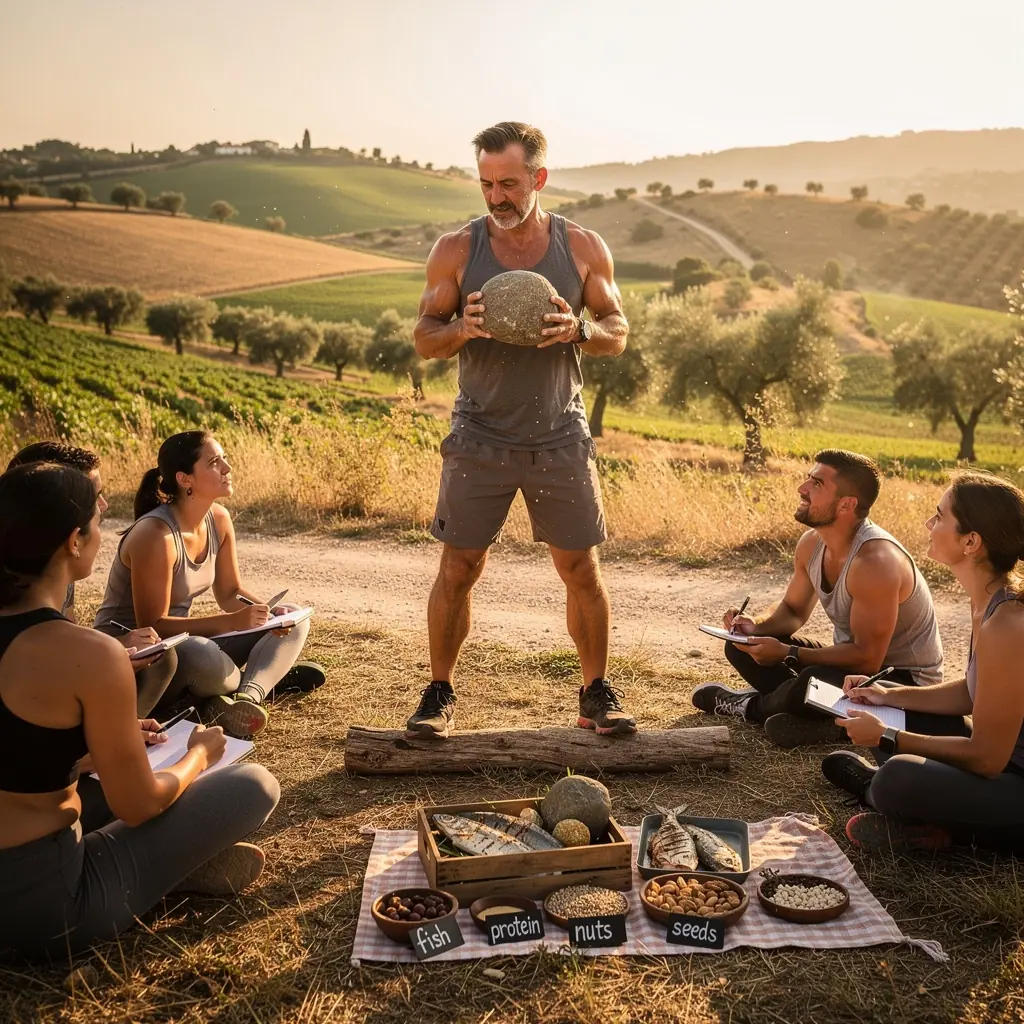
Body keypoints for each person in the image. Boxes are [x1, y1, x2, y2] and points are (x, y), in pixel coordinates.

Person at [0, 462, 280, 960]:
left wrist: (85, 754)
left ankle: (175, 866)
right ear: (73, 541)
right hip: (47, 908)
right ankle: (174, 873)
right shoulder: (88, 653)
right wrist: (198, 755)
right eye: (96, 517)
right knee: (254, 785)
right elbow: (139, 805)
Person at [407, 121, 631, 740]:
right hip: (479, 433)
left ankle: (594, 692)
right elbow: (424, 338)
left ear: (538, 178)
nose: (496, 196)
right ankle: (439, 692)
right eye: (486, 184)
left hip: (559, 432)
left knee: (580, 569)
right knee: (459, 568)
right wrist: (462, 329)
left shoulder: (582, 246)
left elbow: (618, 328)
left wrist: (580, 331)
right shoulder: (456, 249)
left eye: (508, 183)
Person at [822, 473, 1024, 854]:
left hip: (1013, 786)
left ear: (971, 541)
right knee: (894, 698)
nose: (929, 525)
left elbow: (987, 758)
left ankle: (911, 811)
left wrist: (887, 735)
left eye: (939, 516)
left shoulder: (1009, 622)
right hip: (999, 767)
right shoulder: (987, 599)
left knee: (895, 779)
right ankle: (921, 810)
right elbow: (970, 691)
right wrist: (886, 697)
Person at [691, 450, 944, 748]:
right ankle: (824, 721)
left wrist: (788, 653)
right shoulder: (813, 543)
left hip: (901, 684)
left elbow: (868, 657)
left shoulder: (876, 561)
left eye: (817, 484)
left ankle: (750, 706)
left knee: (809, 681)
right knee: (740, 648)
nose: (802, 489)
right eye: (808, 479)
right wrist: (754, 627)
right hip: (853, 672)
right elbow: (792, 610)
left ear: (846, 504)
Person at [93, 431, 325, 739]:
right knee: (200, 652)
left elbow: (230, 593)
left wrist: (269, 615)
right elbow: (154, 626)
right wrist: (233, 622)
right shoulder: (156, 535)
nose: (227, 468)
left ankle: (245, 697)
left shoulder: (218, 518)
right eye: (214, 462)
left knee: (295, 618)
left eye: (224, 458)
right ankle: (256, 680)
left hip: (186, 641)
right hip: (146, 658)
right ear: (185, 479)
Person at [6, 441, 177, 717]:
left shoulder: (54, 561)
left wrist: (115, 646)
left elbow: (61, 636)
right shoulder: (27, 570)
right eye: (92, 495)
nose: (103, 506)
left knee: (163, 658)